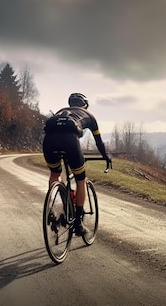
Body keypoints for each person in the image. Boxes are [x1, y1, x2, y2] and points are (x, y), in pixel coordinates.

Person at [42, 92, 111, 236]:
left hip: (48, 142)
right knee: (81, 179)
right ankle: (78, 223)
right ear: (85, 105)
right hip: (70, 142)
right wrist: (106, 157)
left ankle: (53, 209)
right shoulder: (89, 116)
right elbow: (98, 141)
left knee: (55, 173)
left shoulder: (60, 112)